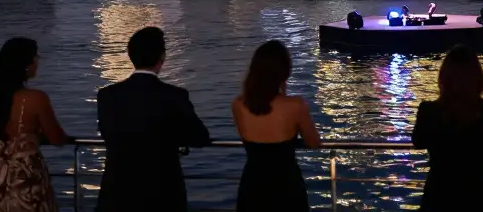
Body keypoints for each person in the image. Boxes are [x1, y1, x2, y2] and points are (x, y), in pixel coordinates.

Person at [96, 27, 211, 212]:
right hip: (163, 191)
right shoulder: (175, 96)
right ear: (162, 57)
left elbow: (108, 133)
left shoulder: (107, 96)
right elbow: (200, 136)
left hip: (118, 191)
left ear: (130, 56)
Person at [411, 45, 483, 211]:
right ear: (477, 78)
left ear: (444, 78)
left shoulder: (428, 110)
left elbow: (418, 141)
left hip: (440, 193)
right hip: (481, 193)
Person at [0, 38, 68, 212]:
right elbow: (57, 138)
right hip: (26, 176)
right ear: (26, 64)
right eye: (36, 57)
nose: (38, 61)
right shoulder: (36, 98)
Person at [232, 41, 320, 212]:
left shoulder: (238, 105)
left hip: (253, 186)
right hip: (287, 187)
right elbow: (313, 141)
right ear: (284, 72)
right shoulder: (296, 105)